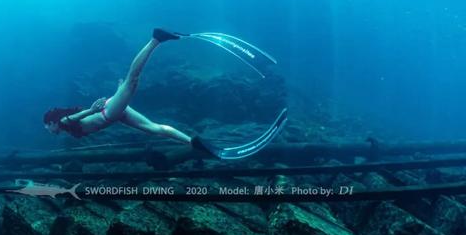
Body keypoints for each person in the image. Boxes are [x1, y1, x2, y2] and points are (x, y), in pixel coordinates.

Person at [43, 28, 287, 160]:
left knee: (132, 81)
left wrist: (94, 109)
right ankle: (193, 143)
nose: (49, 131)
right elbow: (77, 119)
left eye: (48, 127)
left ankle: (155, 40)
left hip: (109, 112)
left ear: (54, 122)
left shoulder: (64, 123)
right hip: (112, 111)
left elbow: (73, 118)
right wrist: (110, 99)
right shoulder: (67, 126)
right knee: (155, 128)